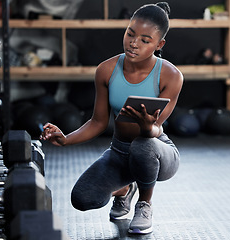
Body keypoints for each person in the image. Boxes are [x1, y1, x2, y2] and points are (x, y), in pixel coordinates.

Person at [40, 2, 183, 235]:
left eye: (145, 40)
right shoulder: (106, 70)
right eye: (130, 34)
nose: (134, 43)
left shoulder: (171, 75)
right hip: (119, 152)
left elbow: (156, 129)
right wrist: (66, 139)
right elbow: (98, 122)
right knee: (83, 198)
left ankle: (144, 204)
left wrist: (147, 127)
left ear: (159, 45)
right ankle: (125, 188)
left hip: (158, 152)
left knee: (143, 145)